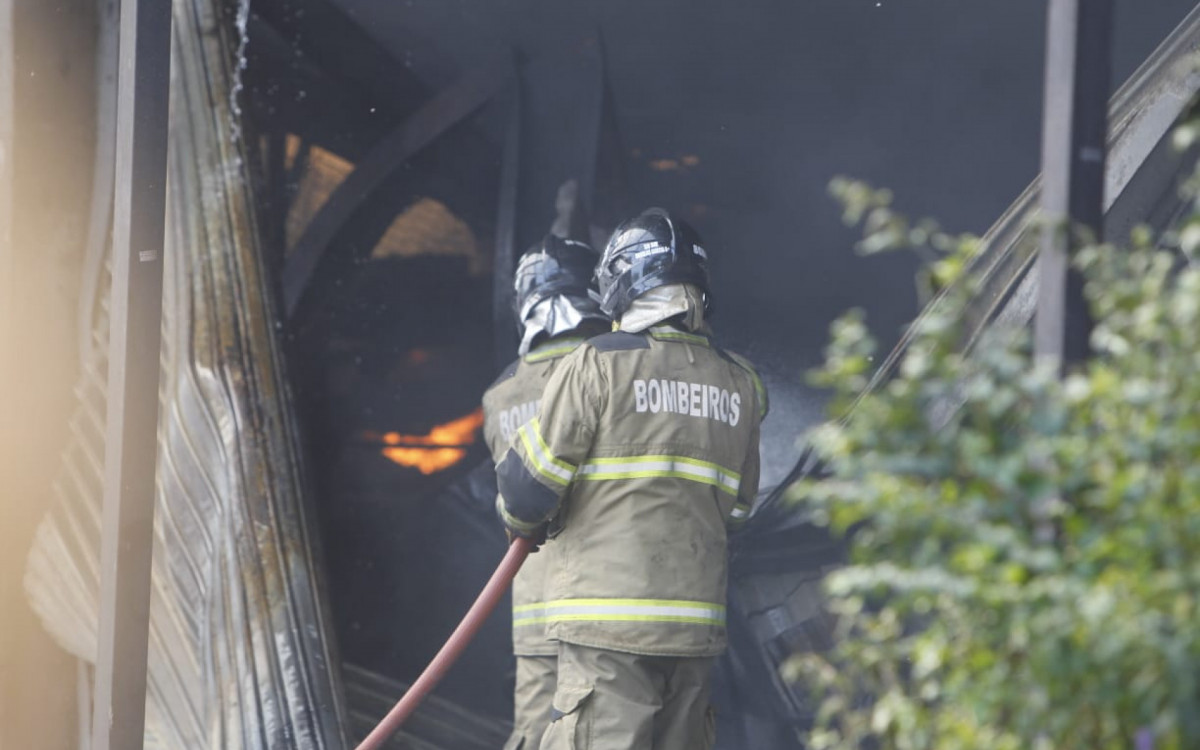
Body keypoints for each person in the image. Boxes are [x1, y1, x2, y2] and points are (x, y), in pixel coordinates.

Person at [495, 208, 767, 750]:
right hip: (694, 629)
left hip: (605, 628)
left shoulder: (597, 364)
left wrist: (522, 517)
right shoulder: (741, 383)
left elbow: (528, 491)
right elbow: (739, 511)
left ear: (620, 283)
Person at [482, 233, 611, 750]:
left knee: (535, 732)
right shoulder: (607, 369)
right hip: (605, 599)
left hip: (533, 606)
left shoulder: (500, 395)